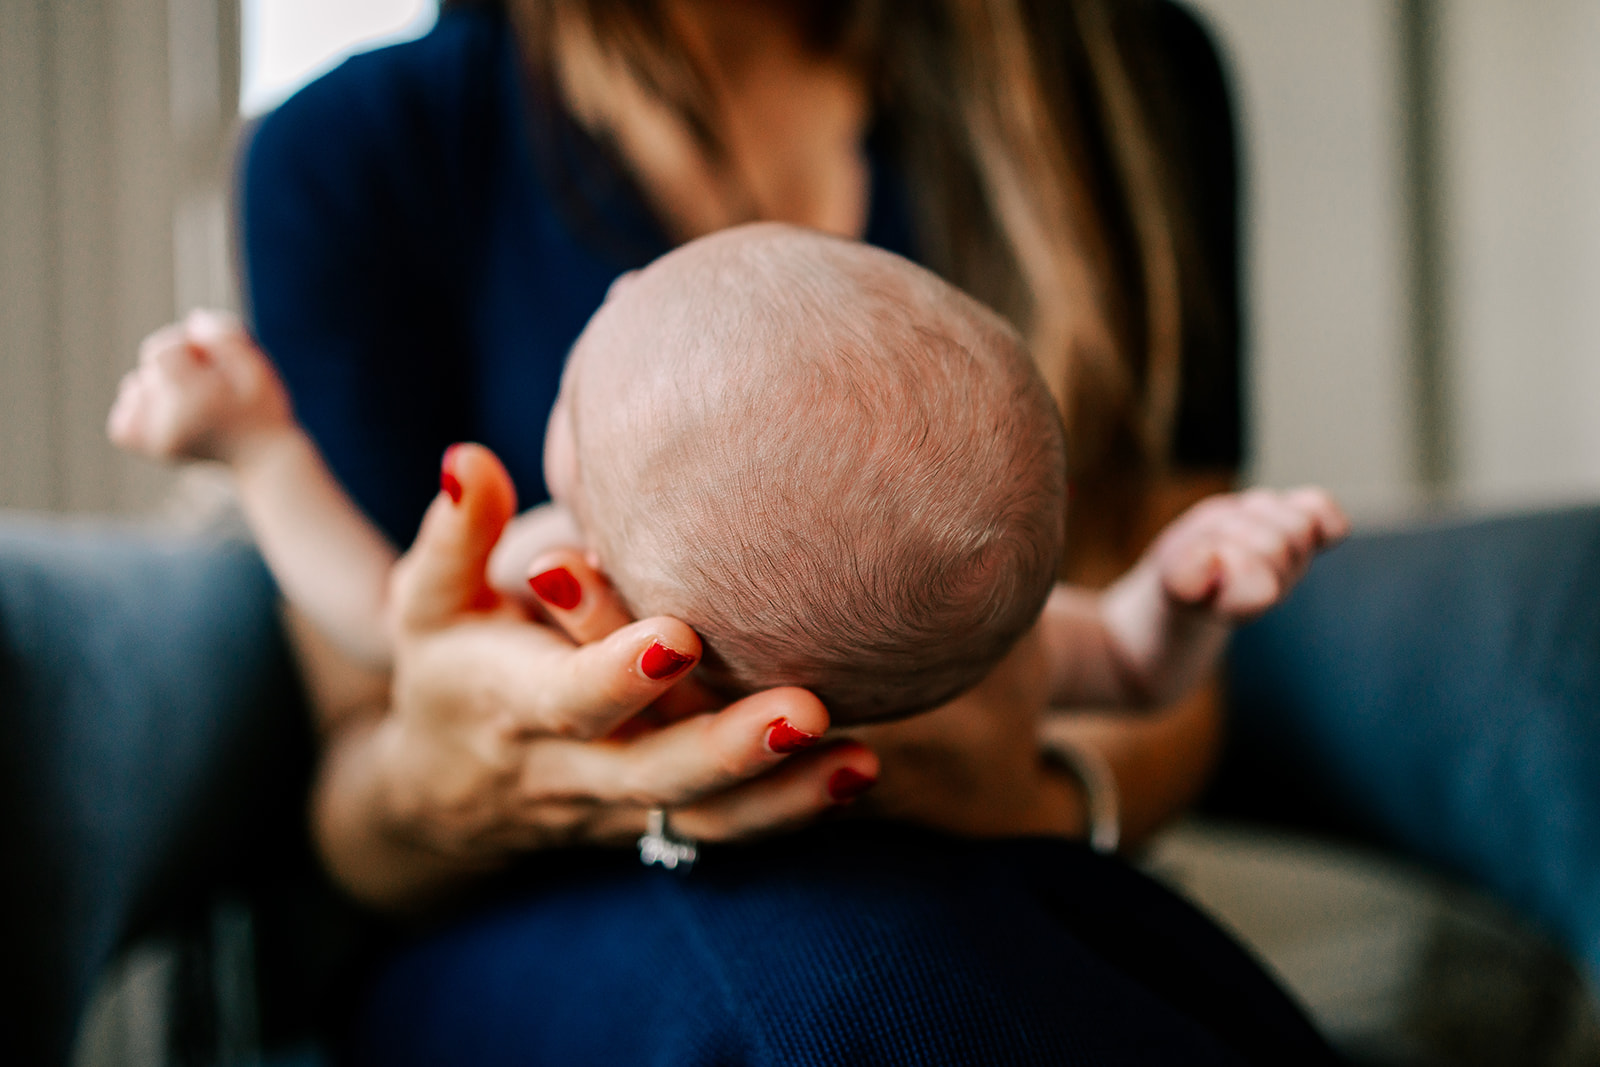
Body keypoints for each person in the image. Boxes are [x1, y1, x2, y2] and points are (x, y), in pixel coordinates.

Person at [110, 221, 1344, 736]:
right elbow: (1128, 669)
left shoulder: (563, 576)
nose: (610, 287)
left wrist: (259, 449)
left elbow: (384, 623)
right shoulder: (991, 651)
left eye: (620, 313)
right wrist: (1171, 598)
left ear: (579, 480)